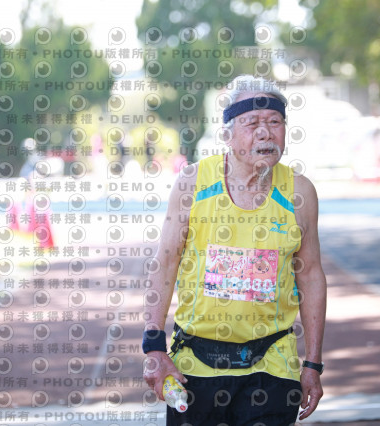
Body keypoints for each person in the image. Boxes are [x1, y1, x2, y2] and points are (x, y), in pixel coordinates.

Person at [142, 75, 327, 425]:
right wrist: (153, 345)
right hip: (195, 364)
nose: (265, 132)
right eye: (252, 123)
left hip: (272, 362)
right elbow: (165, 263)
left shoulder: (300, 192)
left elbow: (311, 275)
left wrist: (313, 363)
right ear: (227, 134)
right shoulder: (193, 183)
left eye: (275, 122)